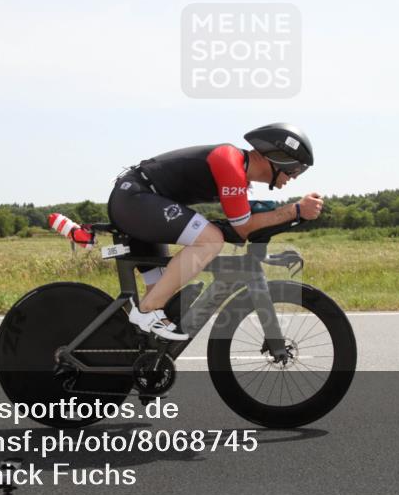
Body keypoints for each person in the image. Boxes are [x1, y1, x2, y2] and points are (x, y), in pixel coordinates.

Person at [106, 123, 323, 341]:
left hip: (143, 204)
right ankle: (147, 310)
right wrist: (295, 210)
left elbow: (242, 230)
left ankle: (135, 355)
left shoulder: (240, 176)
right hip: (134, 200)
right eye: (296, 169)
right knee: (210, 240)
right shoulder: (229, 162)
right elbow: (242, 227)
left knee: (160, 294)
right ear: (278, 158)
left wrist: (266, 251)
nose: (295, 177)